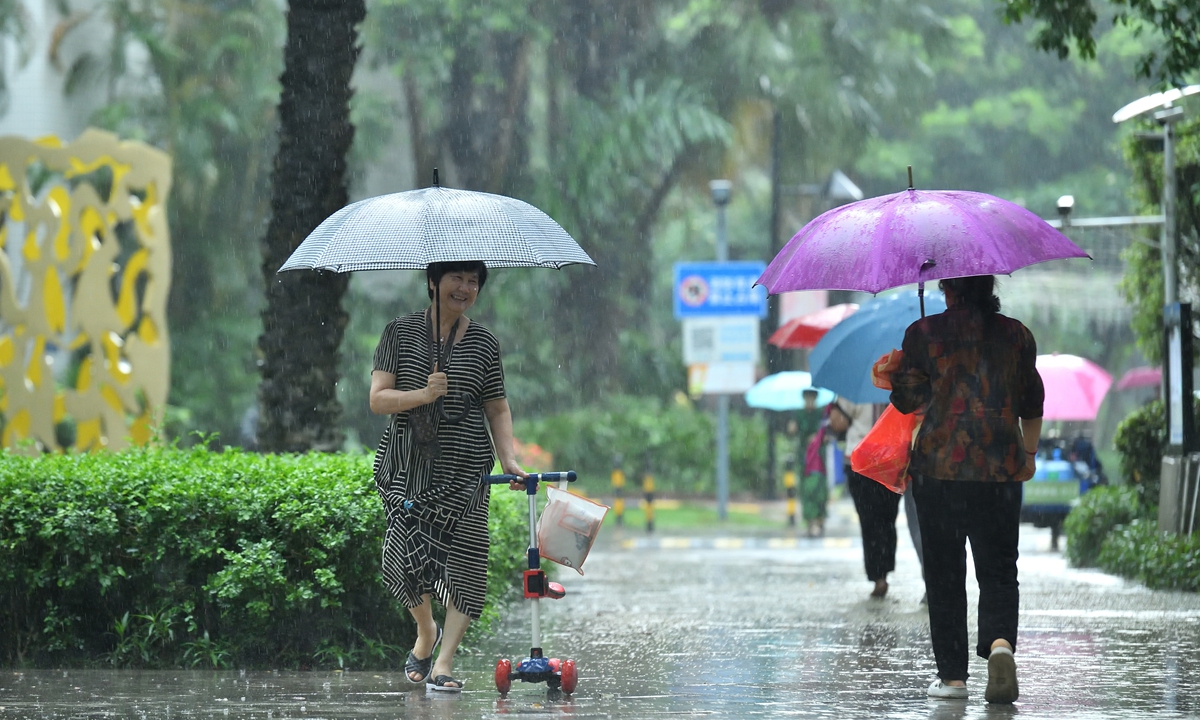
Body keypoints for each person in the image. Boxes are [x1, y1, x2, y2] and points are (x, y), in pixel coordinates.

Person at [369, 260, 527, 692]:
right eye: (457, 278)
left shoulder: (484, 342)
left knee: (469, 565)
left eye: (473, 282)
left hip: (466, 470)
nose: (465, 287)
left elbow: (497, 407)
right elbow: (378, 399)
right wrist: (423, 393)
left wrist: (508, 458)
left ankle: (444, 661)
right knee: (402, 561)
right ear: (433, 283)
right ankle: (426, 631)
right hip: (408, 470)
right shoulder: (398, 332)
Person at [890, 275, 1043, 704]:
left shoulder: (923, 334)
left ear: (948, 290)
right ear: (990, 285)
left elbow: (908, 401)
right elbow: (1032, 403)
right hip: (1000, 471)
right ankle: (1000, 646)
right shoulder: (1017, 336)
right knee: (998, 570)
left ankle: (953, 679)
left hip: (939, 473)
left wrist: (898, 369)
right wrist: (1027, 454)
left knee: (944, 573)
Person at [837, 399, 904, 598]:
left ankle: (878, 576)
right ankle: (885, 567)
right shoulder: (895, 382)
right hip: (891, 457)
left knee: (869, 521)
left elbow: (837, 422)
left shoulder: (853, 388)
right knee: (888, 518)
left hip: (860, 459)